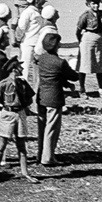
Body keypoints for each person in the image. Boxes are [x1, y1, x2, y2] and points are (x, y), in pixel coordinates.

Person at [0, 58, 39, 184]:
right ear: (14, 69)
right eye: (20, 67)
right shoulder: (3, 84)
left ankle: (25, 173)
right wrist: (5, 110)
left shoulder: (23, 84)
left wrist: (23, 109)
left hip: (20, 114)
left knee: (22, 146)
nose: (22, 69)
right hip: (8, 114)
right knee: (1, 146)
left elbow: (30, 99)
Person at [33, 30, 79, 167]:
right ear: (55, 45)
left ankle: (40, 154)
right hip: (54, 98)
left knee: (42, 128)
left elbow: (54, 76)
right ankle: (48, 157)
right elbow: (74, 76)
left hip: (41, 96)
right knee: (51, 128)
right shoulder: (60, 62)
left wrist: (65, 82)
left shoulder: (41, 59)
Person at [75, 0, 102, 111]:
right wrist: (81, 41)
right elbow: (78, 30)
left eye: (97, 3)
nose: (95, 6)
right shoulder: (85, 15)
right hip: (87, 39)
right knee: (84, 65)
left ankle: (101, 89)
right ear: (88, 4)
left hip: (99, 38)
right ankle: (82, 89)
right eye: (93, 4)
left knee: (100, 65)